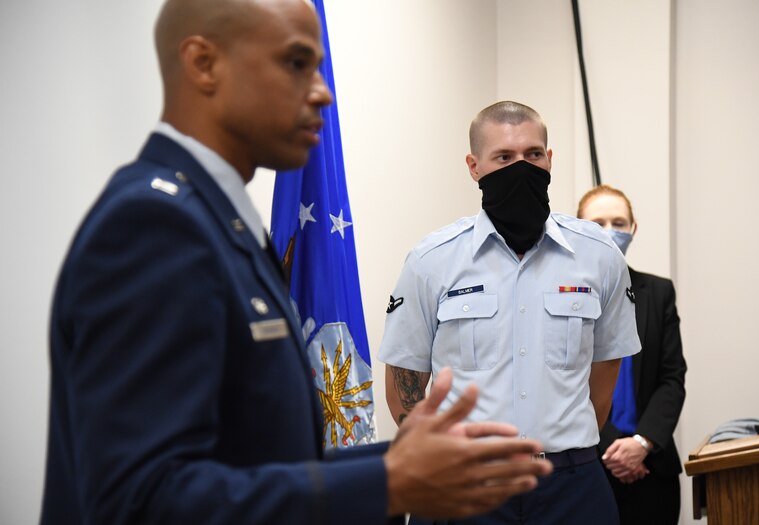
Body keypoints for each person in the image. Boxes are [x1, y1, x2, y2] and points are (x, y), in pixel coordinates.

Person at [39, 3, 553, 524]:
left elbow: (251, 456)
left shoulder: (217, 218)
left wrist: (401, 462)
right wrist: (385, 483)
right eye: (296, 63)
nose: (322, 92)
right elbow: (139, 502)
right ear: (203, 64)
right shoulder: (154, 224)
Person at [379, 101, 642, 525]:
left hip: (571, 486)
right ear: (474, 166)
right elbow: (403, 386)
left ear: (549, 159)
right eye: (503, 157)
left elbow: (603, 381)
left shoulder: (598, 255)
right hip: (465, 483)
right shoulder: (432, 261)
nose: (521, 167)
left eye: (533, 154)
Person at [577, 185, 687, 525]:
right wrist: (614, 447)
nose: (610, 231)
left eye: (619, 223)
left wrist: (641, 443)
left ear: (633, 228)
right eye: (597, 223)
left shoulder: (658, 292)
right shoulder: (564, 297)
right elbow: (562, 382)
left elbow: (672, 378)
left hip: (652, 467)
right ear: (579, 229)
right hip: (588, 465)